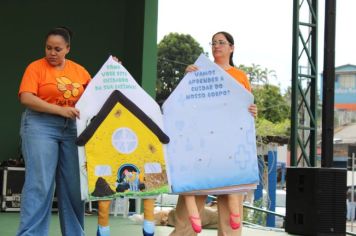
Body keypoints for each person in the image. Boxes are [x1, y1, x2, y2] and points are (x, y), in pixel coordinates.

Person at [170, 31, 257, 236]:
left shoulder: (240, 76)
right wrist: (187, 78)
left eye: (221, 42)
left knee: (231, 217)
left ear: (231, 48)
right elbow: (183, 104)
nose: (216, 46)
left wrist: (252, 111)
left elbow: (245, 108)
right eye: (213, 42)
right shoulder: (199, 72)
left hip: (230, 150)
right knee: (188, 217)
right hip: (201, 147)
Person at [17, 26, 91, 236]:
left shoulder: (80, 71)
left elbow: (99, 92)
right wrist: (60, 110)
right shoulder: (35, 68)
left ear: (67, 48)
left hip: (72, 129)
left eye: (57, 49)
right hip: (41, 125)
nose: (52, 53)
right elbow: (27, 97)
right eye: (48, 48)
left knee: (73, 187)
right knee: (40, 183)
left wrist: (113, 69)